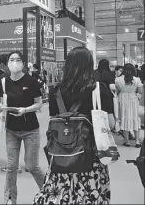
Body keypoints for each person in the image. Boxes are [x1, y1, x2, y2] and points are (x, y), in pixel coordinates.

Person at [33, 47, 114, 204]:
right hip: (91, 158)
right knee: (91, 195)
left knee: (62, 196)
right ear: (90, 65)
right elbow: (110, 123)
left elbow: (54, 122)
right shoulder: (98, 89)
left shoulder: (55, 90)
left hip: (62, 157)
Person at [0, 51, 44, 205]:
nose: (14, 62)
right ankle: (9, 199)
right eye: (11, 59)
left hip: (30, 129)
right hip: (11, 129)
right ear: (7, 63)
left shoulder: (31, 81)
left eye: (18, 60)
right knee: (11, 166)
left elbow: (39, 103)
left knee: (32, 166)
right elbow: (2, 103)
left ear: (23, 63)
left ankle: (49, 192)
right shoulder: (3, 82)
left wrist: (26, 109)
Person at [116, 63, 143, 147]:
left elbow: (116, 91)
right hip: (133, 99)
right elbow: (140, 91)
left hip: (123, 99)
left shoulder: (118, 79)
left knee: (124, 118)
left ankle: (126, 141)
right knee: (135, 118)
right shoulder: (137, 79)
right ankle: (137, 141)